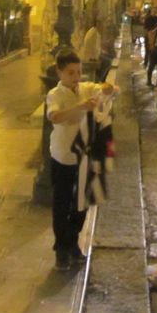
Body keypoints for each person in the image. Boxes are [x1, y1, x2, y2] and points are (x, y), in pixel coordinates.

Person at [46, 49, 118, 271]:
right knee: (62, 205)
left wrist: (109, 88)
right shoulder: (55, 94)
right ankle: (62, 250)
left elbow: (110, 90)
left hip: (85, 158)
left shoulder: (85, 88)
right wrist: (80, 107)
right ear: (59, 72)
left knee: (82, 204)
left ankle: (72, 243)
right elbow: (55, 117)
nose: (76, 77)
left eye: (78, 72)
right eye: (70, 73)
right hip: (63, 157)